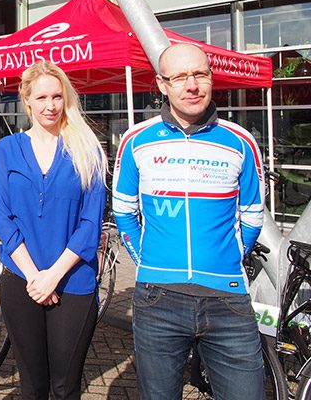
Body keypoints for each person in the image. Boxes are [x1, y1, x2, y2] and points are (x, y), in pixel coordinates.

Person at [112, 42, 265, 400]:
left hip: (228, 299)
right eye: (179, 77)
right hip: (157, 299)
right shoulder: (137, 141)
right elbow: (123, 212)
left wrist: (227, 258)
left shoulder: (240, 141)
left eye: (199, 74)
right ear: (162, 84)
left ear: (211, 79)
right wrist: (150, 262)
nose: (192, 85)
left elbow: (253, 217)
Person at [0, 61, 106, 400]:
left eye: (57, 96)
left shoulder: (87, 150)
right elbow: (4, 220)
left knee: (64, 387)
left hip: (73, 283)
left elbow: (90, 224)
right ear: (26, 101)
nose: (51, 105)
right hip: (21, 280)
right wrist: (33, 277)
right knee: (33, 386)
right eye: (41, 97)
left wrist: (52, 277)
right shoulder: (7, 150)